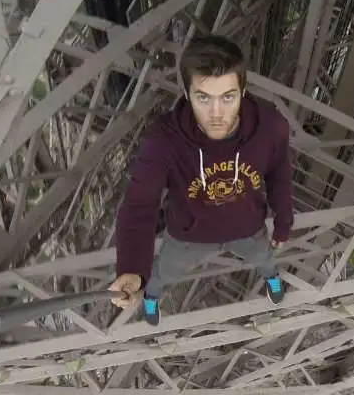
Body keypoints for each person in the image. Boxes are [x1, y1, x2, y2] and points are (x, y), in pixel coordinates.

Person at [109, 34, 293, 326]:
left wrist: (283, 222)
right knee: (160, 274)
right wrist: (131, 269)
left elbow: (279, 173)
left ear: (243, 90)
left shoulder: (270, 127)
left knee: (266, 259)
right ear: (186, 92)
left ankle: (272, 279)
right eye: (203, 98)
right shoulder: (164, 141)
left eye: (227, 97)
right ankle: (151, 296)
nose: (216, 113)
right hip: (189, 236)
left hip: (246, 227)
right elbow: (139, 204)